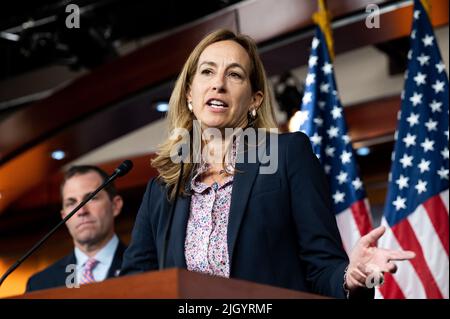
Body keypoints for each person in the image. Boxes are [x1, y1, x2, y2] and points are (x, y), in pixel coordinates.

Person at [120, 29, 415, 298]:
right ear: (188, 93)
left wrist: (350, 276)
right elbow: (136, 282)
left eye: (234, 75)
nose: (218, 84)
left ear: (254, 100)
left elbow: (322, 265)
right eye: (207, 71)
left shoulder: (288, 155)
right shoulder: (161, 189)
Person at [26, 165, 127, 292]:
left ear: (115, 205)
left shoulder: (148, 266)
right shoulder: (40, 284)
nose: (81, 210)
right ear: (64, 217)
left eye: (92, 198)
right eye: (71, 203)